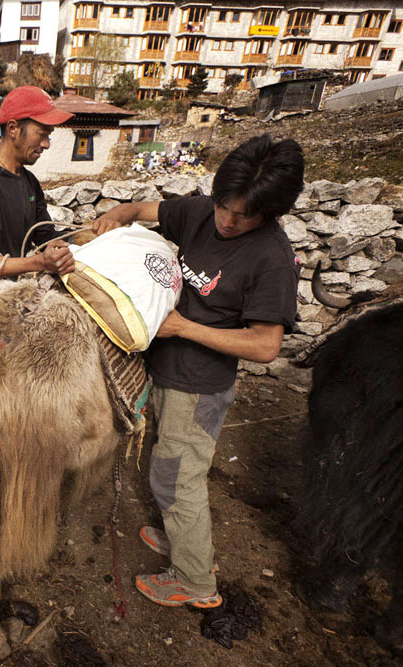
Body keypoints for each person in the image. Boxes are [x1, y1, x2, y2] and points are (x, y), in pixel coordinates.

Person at [92, 134, 304, 608]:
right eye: (223, 206)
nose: (227, 221)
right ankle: (181, 536)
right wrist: (118, 216)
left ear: (271, 212)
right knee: (165, 464)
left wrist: (184, 327)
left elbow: (266, 345)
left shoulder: (270, 260)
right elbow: (143, 211)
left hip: (200, 387)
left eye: (243, 214)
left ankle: (195, 583)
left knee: (177, 477)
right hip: (164, 370)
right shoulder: (202, 212)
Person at [0, 86, 76, 309]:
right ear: (13, 128)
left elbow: (45, 236)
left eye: (49, 136)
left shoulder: (29, 182)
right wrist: (39, 263)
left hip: (10, 301)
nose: (46, 144)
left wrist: (86, 235)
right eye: (42, 134)